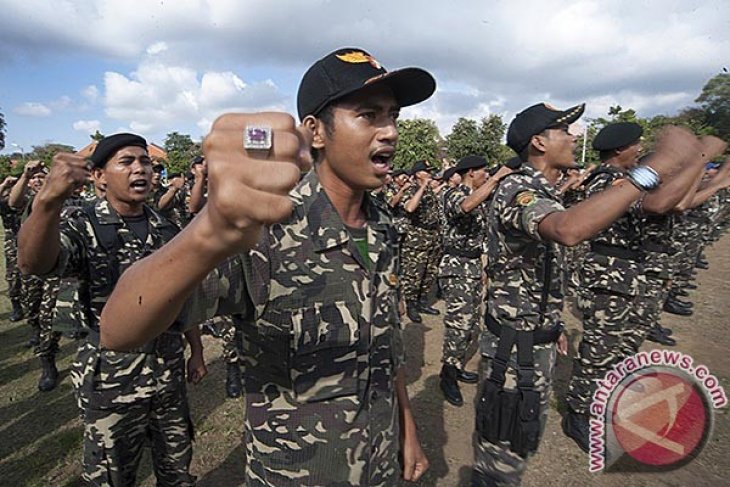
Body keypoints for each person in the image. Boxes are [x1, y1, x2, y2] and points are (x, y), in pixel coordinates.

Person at [99, 47, 434, 486]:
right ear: (315, 131)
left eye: (393, 116)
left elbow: (387, 346)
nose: (389, 131)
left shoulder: (384, 226)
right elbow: (119, 329)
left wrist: (406, 429)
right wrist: (210, 230)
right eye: (369, 115)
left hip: (378, 464)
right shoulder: (266, 225)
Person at [473, 102, 706, 486]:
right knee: (502, 453)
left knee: (520, 442)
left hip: (535, 338)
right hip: (513, 349)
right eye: (565, 131)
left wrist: (554, 323)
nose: (575, 137)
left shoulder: (543, 188)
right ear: (539, 142)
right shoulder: (518, 187)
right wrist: (652, 170)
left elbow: (540, 268)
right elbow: (568, 230)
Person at [17, 133, 207, 486]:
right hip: (112, 382)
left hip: (167, 374)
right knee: (112, 477)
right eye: (126, 162)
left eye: (145, 161)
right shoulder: (83, 223)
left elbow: (183, 295)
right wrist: (47, 201)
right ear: (99, 177)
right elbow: (35, 264)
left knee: (177, 471)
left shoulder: (165, 227)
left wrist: (196, 350)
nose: (140, 169)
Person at [438, 155, 512, 407]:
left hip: (470, 265)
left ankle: (456, 365)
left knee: (470, 323)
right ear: (471, 172)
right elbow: (465, 207)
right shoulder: (453, 193)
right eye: (483, 171)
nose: (486, 174)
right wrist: (496, 178)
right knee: (459, 322)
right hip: (455, 265)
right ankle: (447, 373)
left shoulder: (480, 195)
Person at [400, 160, 442, 323]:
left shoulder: (429, 190)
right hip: (416, 240)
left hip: (432, 237)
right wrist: (423, 186)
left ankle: (422, 302)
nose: (430, 174)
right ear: (418, 174)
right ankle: (411, 306)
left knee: (429, 273)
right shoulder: (411, 190)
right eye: (427, 171)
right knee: (414, 275)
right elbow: (410, 208)